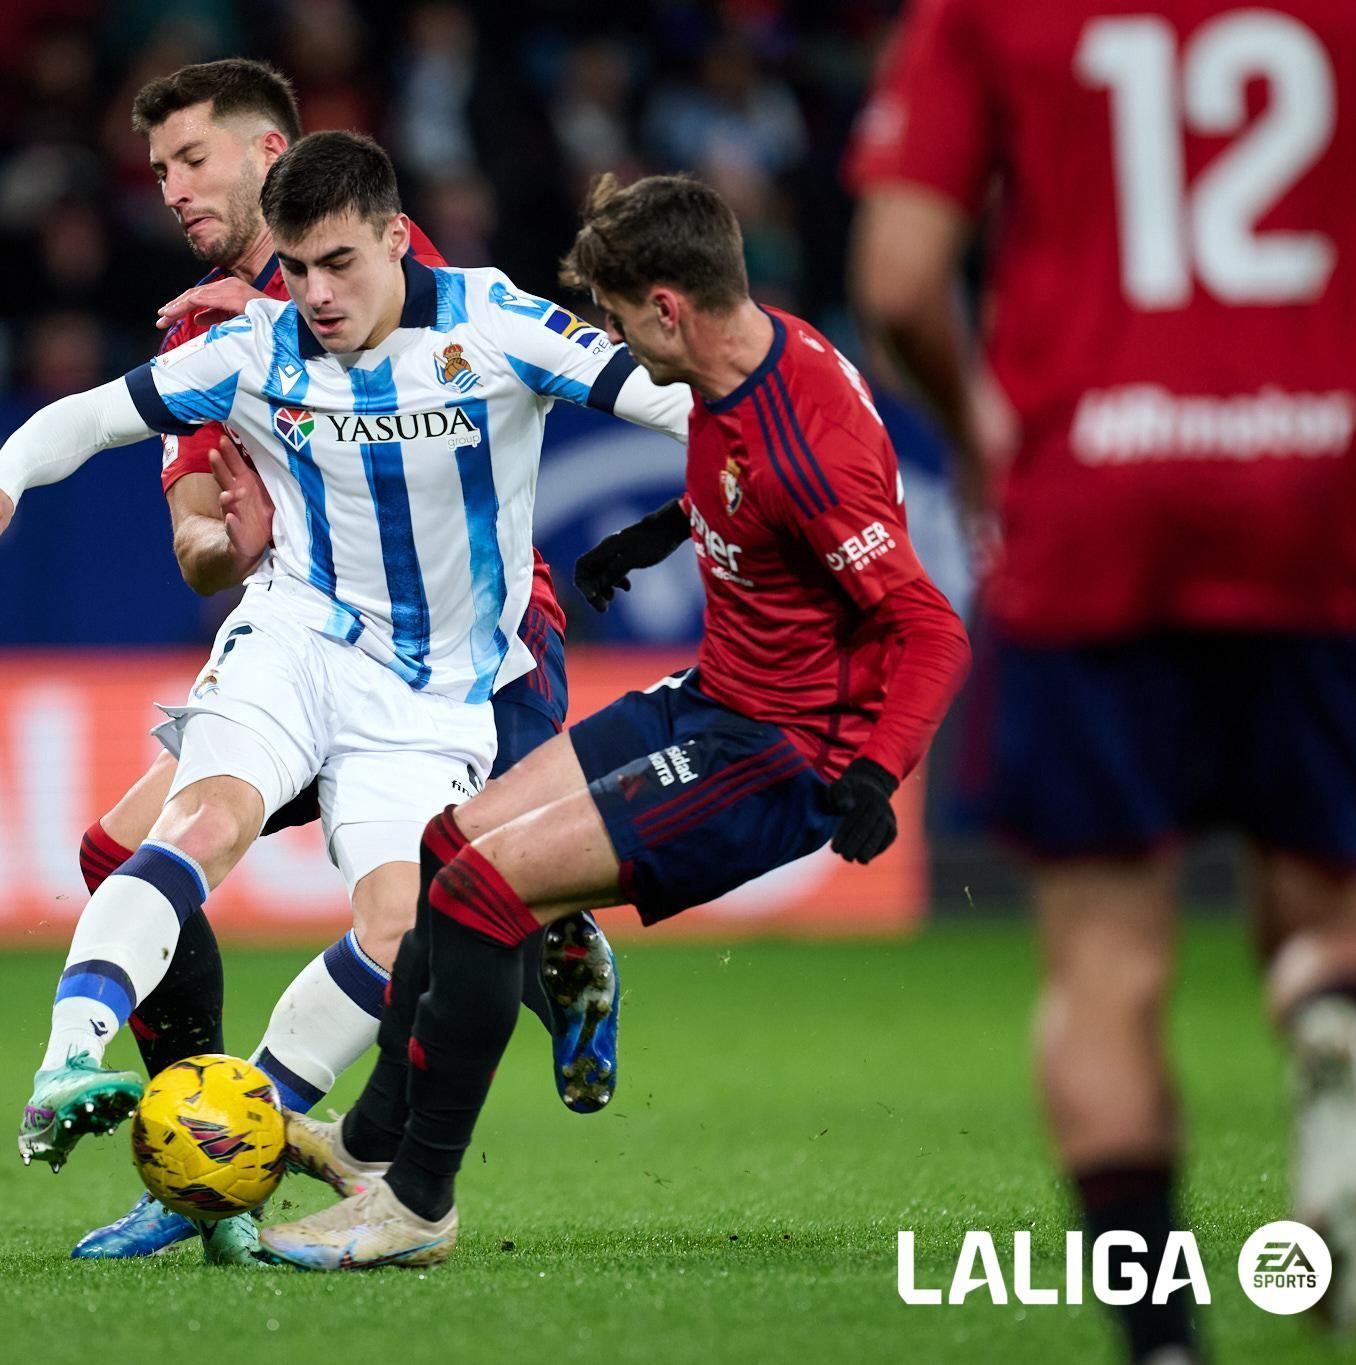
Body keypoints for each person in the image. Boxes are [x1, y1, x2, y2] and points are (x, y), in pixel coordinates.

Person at [0, 131, 691, 1259]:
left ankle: (248, 1127)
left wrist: (769, 464)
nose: (317, 295)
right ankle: (67, 1058)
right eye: (293, 268)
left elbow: (676, 404)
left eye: (339, 263)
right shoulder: (250, 345)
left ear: (395, 238)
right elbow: (86, 416)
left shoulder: (497, 323)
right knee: (199, 821)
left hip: (434, 692)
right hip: (292, 641)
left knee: (401, 931)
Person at [257, 172, 970, 1271]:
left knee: (480, 894)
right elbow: (740, 481)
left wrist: (877, 771)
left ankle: (416, 1207)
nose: (609, 338)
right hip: (713, 692)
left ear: (667, 307)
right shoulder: (757, 350)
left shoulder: (807, 449)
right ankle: (367, 1145)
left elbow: (928, 627)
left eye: (615, 315)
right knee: (449, 842)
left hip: (775, 754)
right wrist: (656, 534)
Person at [846, 1, 1356, 1355]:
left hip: (1095, 493)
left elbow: (903, 276)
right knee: (1345, 908)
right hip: (1330, 487)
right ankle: (1337, 1007)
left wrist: (981, 422)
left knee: (1105, 962)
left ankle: (1161, 1339)